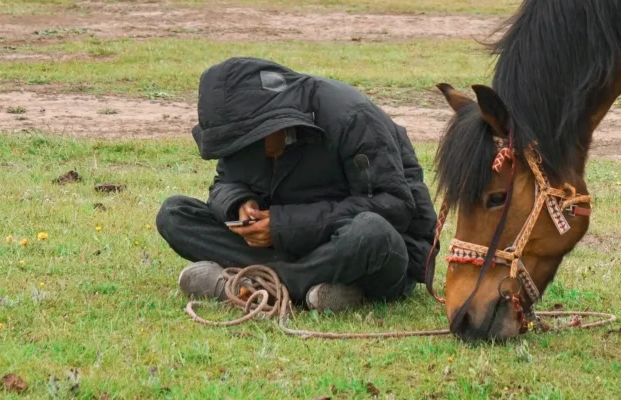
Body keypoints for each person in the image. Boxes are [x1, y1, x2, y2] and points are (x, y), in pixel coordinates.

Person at [156, 57, 437, 312]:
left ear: (274, 124)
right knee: (174, 214)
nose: (247, 158)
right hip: (300, 251)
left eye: (250, 148)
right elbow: (224, 183)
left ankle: (258, 283)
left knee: (370, 232)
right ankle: (315, 288)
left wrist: (282, 226)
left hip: (365, 252)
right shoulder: (242, 129)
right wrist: (240, 203)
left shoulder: (351, 116)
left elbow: (394, 207)